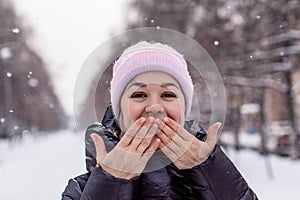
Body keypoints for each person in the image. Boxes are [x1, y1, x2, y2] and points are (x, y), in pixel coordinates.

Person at [62, 41, 258, 200]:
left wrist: (211, 171)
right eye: (139, 94)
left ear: (184, 107)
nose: (155, 107)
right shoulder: (80, 191)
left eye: (168, 94)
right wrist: (110, 182)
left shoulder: (212, 180)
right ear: (119, 110)